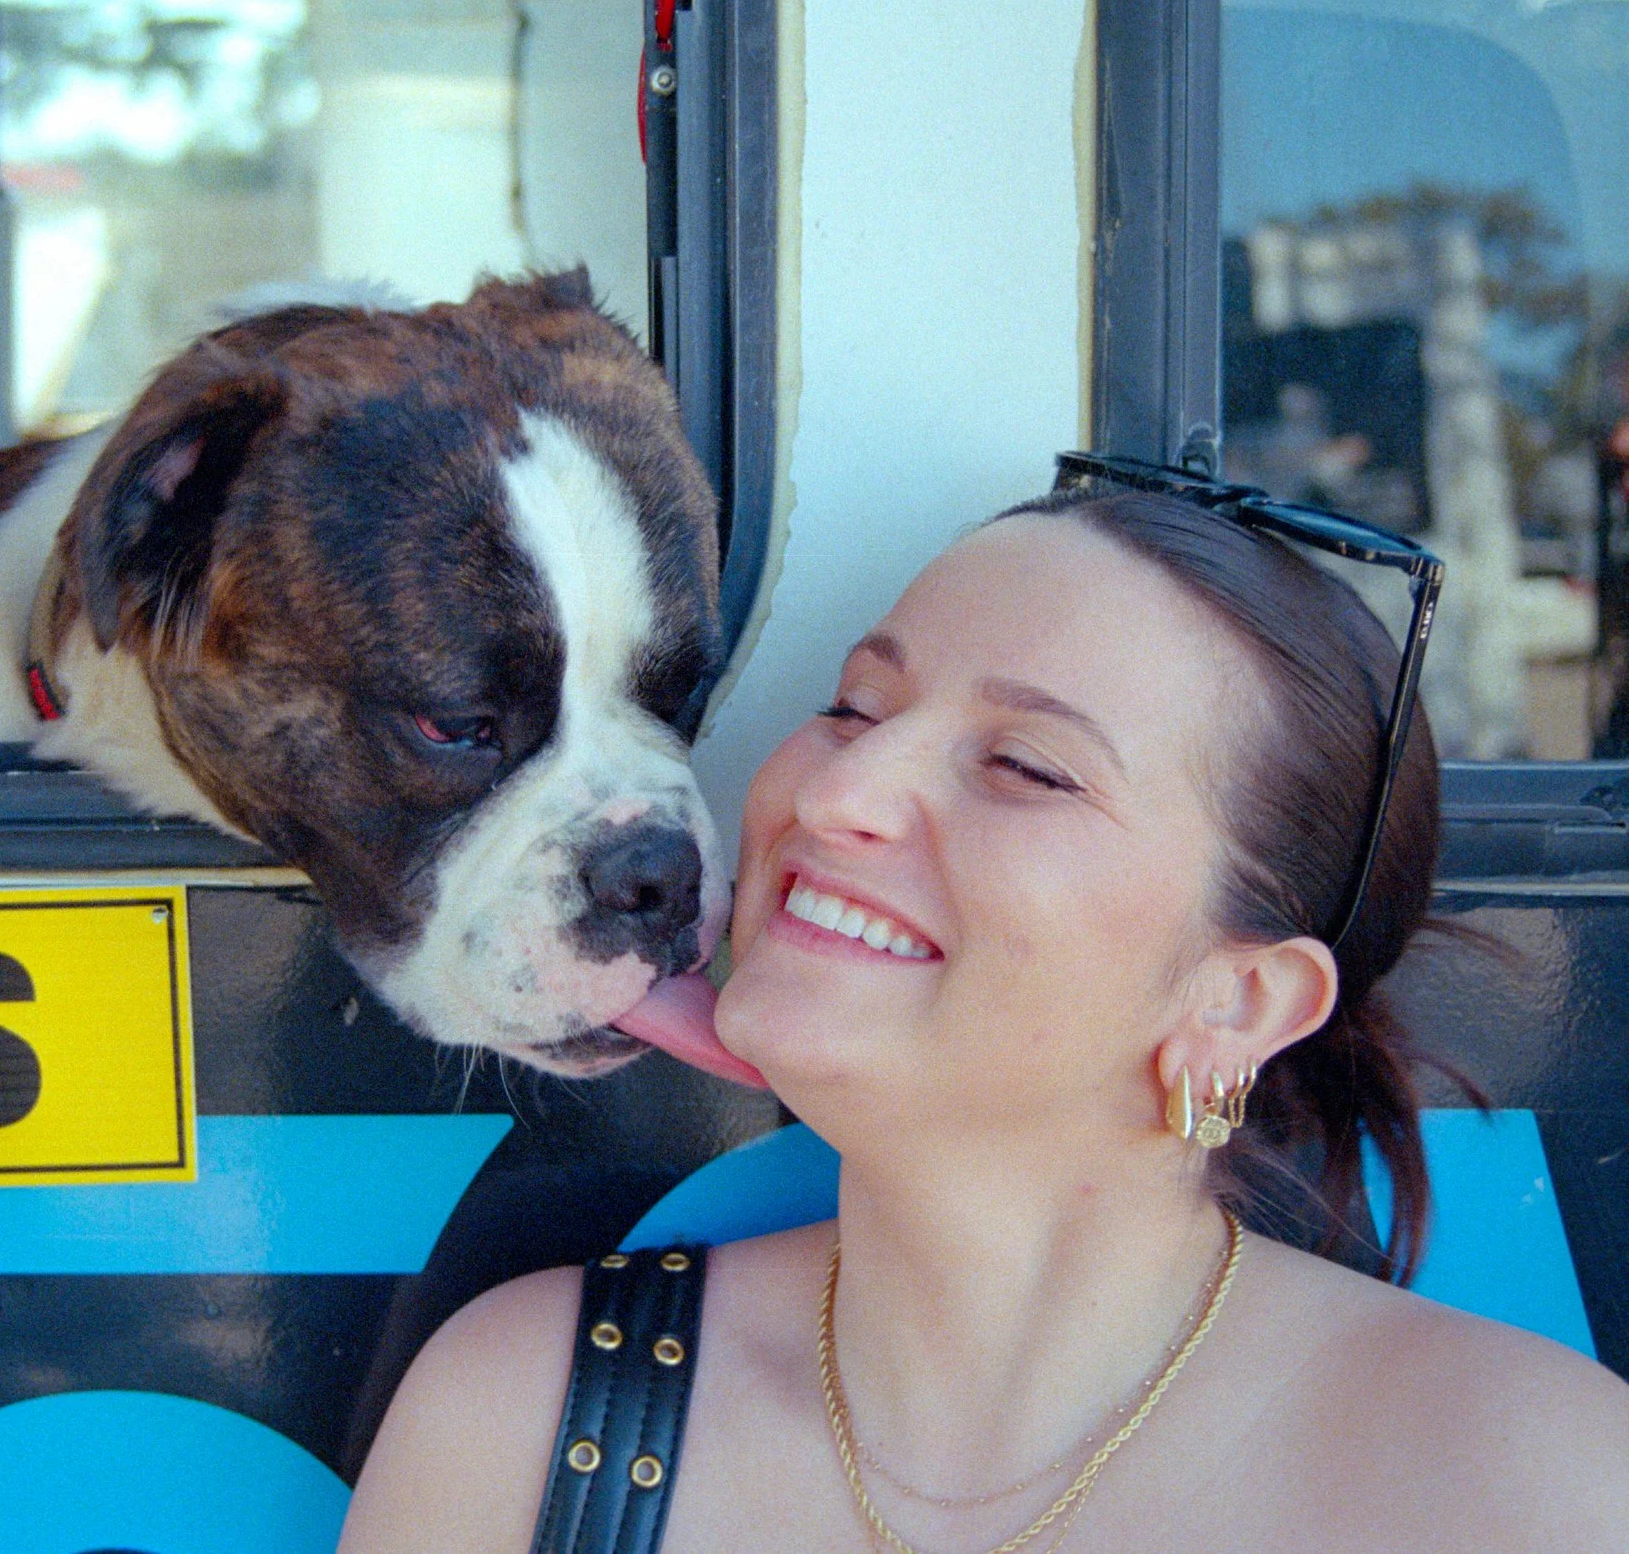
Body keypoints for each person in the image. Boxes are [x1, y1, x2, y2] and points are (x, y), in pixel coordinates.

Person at [339, 465, 1629, 1553]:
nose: (836, 791)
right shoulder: (521, 1418)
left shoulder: (1539, 1487)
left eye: (1025, 768)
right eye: (854, 705)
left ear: (1238, 1004)